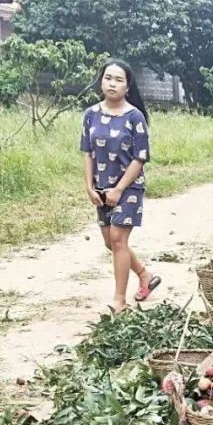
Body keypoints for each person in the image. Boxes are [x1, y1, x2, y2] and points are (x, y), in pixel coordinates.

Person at [81, 59, 160, 313]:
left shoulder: (135, 117)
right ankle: (144, 275)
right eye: (108, 78)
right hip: (100, 187)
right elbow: (87, 153)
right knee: (111, 242)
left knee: (118, 239)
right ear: (100, 81)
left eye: (118, 80)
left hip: (129, 188)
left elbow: (140, 157)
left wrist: (119, 189)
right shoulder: (90, 114)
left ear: (127, 86)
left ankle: (119, 300)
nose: (112, 83)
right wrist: (89, 187)